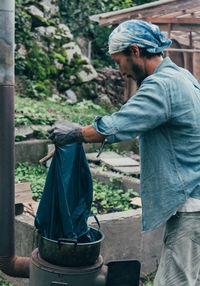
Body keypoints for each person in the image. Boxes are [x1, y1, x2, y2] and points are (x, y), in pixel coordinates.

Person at [49, 20, 200, 286]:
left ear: (135, 51)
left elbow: (119, 125)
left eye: (120, 61)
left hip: (190, 204)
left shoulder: (160, 85)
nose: (120, 72)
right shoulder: (182, 76)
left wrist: (75, 133)